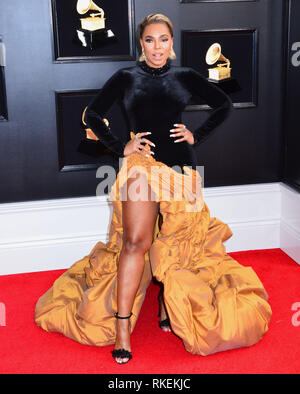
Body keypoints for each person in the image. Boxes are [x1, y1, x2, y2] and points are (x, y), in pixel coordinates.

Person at [35, 14, 272, 365]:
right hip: (142, 168)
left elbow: (224, 104)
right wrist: (121, 147)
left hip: (181, 168)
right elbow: (92, 115)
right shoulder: (126, 77)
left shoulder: (186, 76)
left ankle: (166, 304)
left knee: (174, 244)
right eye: (150, 40)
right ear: (141, 44)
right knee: (135, 242)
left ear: (171, 43)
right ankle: (122, 328)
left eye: (163, 39)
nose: (157, 47)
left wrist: (197, 134)